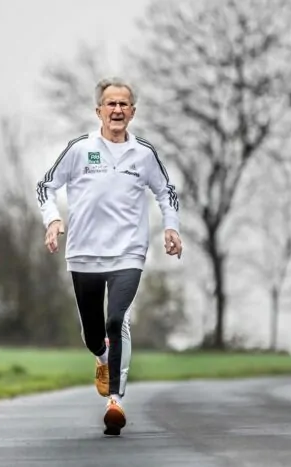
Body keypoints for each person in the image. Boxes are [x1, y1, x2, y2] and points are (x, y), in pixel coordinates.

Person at [35, 77, 182, 436]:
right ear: (98, 110)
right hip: (84, 253)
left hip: (128, 253)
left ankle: (114, 400)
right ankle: (102, 358)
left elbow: (166, 192)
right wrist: (53, 220)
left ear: (133, 112)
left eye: (123, 104)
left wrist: (171, 227)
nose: (117, 110)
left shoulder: (144, 154)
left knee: (117, 320)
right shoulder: (80, 149)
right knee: (93, 335)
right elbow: (46, 187)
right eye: (110, 104)